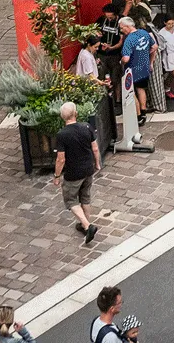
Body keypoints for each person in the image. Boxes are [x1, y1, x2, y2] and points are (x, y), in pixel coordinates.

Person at [52, 102, 101, 244]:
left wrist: (56, 176)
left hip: (73, 173)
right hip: (88, 169)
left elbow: (61, 159)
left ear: (62, 117)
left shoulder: (62, 135)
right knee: (85, 197)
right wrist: (97, 163)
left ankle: (87, 226)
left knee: (71, 200)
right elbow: (95, 148)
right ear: (76, 114)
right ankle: (85, 224)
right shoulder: (86, 127)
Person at [118, 16, 155, 123]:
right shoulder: (144, 33)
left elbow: (126, 58)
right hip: (144, 67)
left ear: (127, 26)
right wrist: (147, 57)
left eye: (122, 28)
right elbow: (154, 47)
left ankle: (138, 116)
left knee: (132, 92)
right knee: (141, 89)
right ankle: (143, 112)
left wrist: (121, 62)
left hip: (132, 70)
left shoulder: (129, 39)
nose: (121, 30)